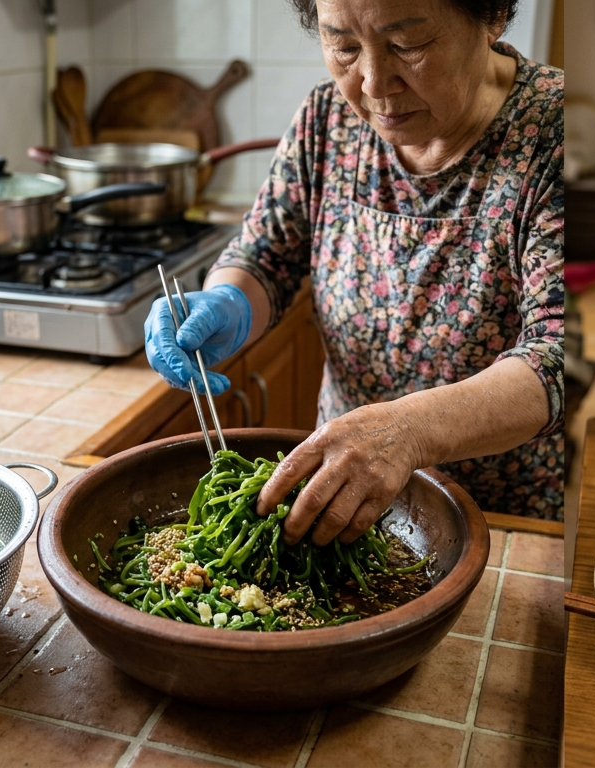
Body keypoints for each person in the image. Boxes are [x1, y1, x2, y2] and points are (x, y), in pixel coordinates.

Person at [145, 0, 564, 545]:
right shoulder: (327, 119)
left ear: (492, 18)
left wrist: (407, 432)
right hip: (344, 496)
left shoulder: (553, 132)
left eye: (406, 46)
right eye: (343, 45)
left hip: (508, 517)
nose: (372, 83)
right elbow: (265, 255)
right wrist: (227, 301)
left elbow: (557, 355)